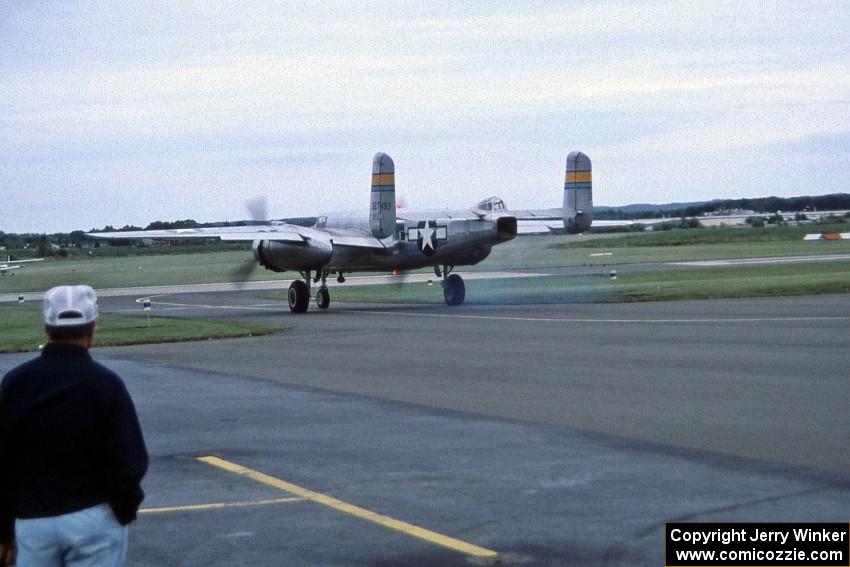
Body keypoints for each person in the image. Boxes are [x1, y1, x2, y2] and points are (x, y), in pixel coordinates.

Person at [0, 285, 148, 567]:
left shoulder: (15, 383)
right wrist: (124, 509)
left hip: (33, 523)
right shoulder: (107, 385)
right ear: (92, 328)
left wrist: (4, 530)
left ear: (46, 328)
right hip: (94, 518)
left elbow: (3, 462)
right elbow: (130, 461)